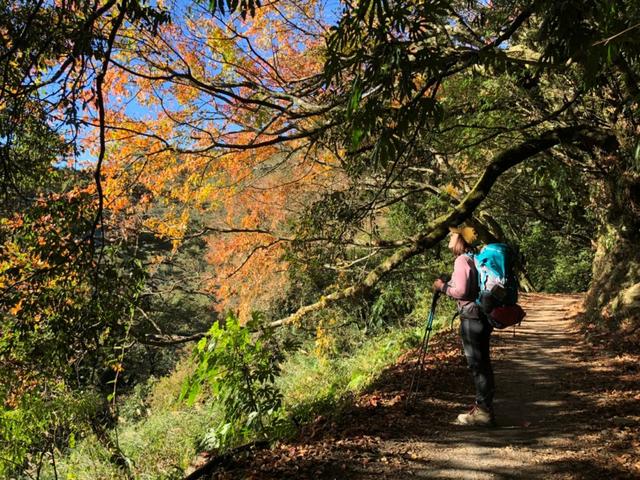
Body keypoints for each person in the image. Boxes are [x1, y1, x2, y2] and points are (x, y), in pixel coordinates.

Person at [432, 226, 496, 427]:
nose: (449, 238)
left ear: (460, 238)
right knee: (483, 363)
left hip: (471, 318)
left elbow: (460, 291)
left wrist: (441, 287)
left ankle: (483, 413)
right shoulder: (474, 258)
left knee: (477, 365)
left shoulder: (461, 260)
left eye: (452, 235)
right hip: (482, 317)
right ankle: (484, 408)